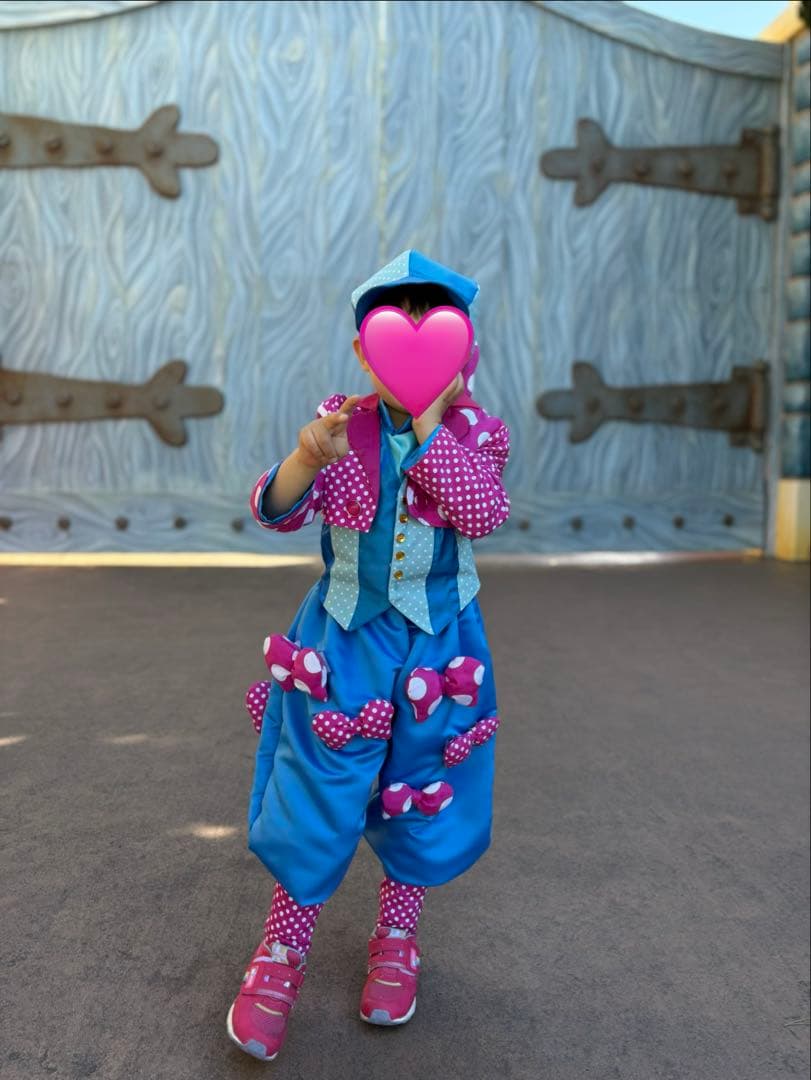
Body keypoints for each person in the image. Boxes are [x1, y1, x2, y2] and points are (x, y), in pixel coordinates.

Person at [227, 250, 511, 1062]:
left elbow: (480, 512)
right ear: (363, 351)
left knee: (421, 785)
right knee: (318, 785)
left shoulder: (479, 433)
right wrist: (303, 459)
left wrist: (427, 424)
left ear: (463, 350)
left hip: (440, 645)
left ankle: (396, 936)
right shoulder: (339, 426)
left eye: (435, 334)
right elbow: (276, 512)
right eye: (394, 335)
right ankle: (282, 949)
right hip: (344, 639)